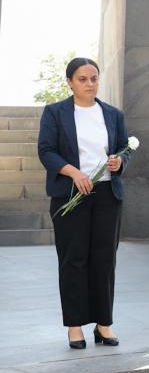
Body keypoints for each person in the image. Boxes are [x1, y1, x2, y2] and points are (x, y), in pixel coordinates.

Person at [38, 58, 130, 349]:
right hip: (70, 194)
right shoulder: (55, 113)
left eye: (94, 78)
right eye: (82, 79)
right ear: (70, 82)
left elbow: (124, 149)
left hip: (107, 195)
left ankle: (104, 324)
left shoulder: (113, 114)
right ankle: (75, 327)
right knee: (73, 260)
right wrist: (73, 172)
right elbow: (46, 151)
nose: (90, 84)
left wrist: (119, 161)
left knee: (105, 261)